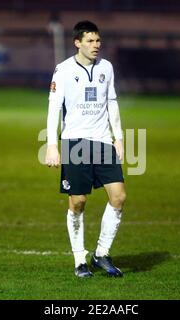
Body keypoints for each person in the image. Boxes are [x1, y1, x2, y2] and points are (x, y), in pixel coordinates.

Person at [45, 20, 126, 278]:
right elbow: (54, 109)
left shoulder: (106, 68)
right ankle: (80, 259)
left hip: (103, 141)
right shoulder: (64, 70)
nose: (96, 45)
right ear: (77, 42)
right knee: (78, 202)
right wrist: (51, 145)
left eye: (98, 40)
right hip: (75, 142)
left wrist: (119, 137)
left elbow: (111, 102)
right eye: (90, 41)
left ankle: (101, 254)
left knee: (119, 197)